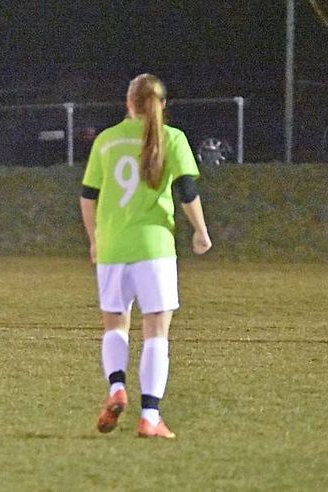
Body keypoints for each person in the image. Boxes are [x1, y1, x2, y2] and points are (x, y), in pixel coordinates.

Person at [80, 73, 212, 439]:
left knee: (115, 326)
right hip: (154, 248)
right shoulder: (173, 138)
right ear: (162, 105)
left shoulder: (106, 140)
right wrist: (201, 231)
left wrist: (94, 240)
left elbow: (88, 195)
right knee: (156, 333)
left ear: (128, 102)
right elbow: (187, 191)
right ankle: (150, 416)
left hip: (113, 247)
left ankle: (116, 388)